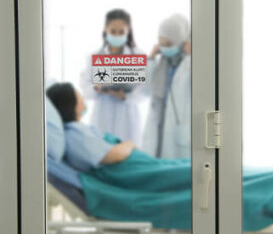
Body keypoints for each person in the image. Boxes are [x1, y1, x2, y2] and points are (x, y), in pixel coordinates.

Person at [46, 82, 192, 229]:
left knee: (182, 169)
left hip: (135, 168)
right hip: (129, 171)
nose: (83, 99)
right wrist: (129, 145)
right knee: (185, 172)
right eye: (79, 96)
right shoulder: (74, 134)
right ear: (69, 103)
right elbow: (112, 156)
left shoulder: (79, 130)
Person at [80, 9, 144, 146]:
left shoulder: (137, 56)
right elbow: (85, 90)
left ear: (128, 31)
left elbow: (144, 92)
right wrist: (96, 88)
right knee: (104, 154)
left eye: (121, 32)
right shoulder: (94, 57)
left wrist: (125, 97)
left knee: (129, 158)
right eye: (113, 32)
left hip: (128, 116)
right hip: (103, 114)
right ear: (105, 30)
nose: (116, 36)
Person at [143, 15, 191, 158]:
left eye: (169, 44)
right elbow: (144, 89)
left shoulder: (189, 64)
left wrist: (190, 58)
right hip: (159, 122)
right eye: (161, 43)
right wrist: (150, 58)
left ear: (181, 42)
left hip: (178, 127)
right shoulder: (160, 64)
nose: (164, 48)